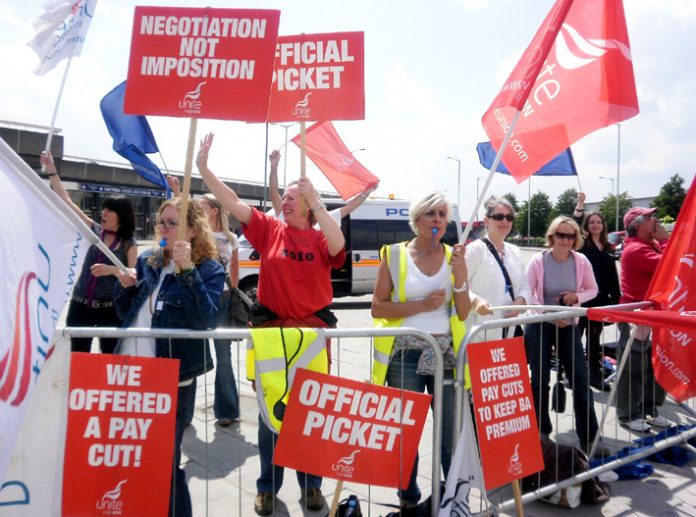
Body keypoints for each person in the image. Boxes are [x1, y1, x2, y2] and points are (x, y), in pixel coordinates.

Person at [195, 133, 346, 516]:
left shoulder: (318, 236)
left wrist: (319, 204)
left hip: (312, 337)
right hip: (271, 336)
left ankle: (312, 486)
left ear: (309, 205)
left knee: (312, 414)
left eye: (296, 197)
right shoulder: (269, 230)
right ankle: (267, 485)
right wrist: (204, 168)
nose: (288, 200)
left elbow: (338, 242)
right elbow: (230, 202)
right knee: (269, 416)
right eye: (290, 197)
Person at [114, 197, 225, 517]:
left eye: (172, 223)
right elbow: (126, 312)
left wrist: (188, 270)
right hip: (130, 373)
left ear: (192, 230)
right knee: (133, 458)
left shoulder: (209, 268)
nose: (162, 228)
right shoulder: (150, 260)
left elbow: (207, 320)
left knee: (165, 463)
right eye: (161, 222)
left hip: (171, 381)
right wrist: (124, 287)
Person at [371, 192, 471, 513]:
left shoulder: (453, 256)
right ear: (416, 220)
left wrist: (462, 276)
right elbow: (377, 307)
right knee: (407, 432)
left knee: (448, 434)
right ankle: (408, 501)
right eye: (431, 214)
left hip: (445, 354)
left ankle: (452, 498)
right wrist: (420, 305)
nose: (438, 220)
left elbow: (465, 310)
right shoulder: (395, 255)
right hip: (405, 355)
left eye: (443, 214)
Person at [41, 150, 137, 354]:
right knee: (77, 356)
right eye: (103, 209)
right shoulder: (94, 230)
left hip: (110, 310)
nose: (103, 213)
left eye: (109, 210)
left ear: (121, 216)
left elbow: (132, 276)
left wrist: (112, 270)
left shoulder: (130, 243)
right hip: (80, 306)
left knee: (109, 359)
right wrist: (52, 172)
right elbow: (66, 200)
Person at [524, 216, 604, 455]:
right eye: (561, 234)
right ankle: (540, 436)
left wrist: (575, 298)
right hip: (539, 324)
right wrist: (549, 314)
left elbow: (593, 289)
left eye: (570, 236)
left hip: (569, 326)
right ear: (552, 236)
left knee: (581, 381)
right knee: (539, 381)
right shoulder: (538, 260)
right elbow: (528, 294)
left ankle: (590, 438)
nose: (565, 240)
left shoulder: (581, 261)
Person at [616, 207, 671, 432]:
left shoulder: (649, 247)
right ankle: (628, 414)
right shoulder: (637, 250)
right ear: (637, 225)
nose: (655, 220)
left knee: (655, 367)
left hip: (652, 318)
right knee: (632, 368)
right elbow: (670, 267)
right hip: (636, 320)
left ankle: (650, 409)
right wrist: (666, 241)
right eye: (650, 218)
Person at [199, 193, 241, 427]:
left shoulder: (231, 238)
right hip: (198, 298)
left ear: (214, 210)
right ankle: (182, 411)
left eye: (202, 205)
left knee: (224, 356)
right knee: (190, 351)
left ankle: (227, 410)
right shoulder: (196, 234)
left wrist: (233, 295)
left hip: (223, 301)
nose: (198, 208)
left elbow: (234, 272)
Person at [573, 194, 621, 391]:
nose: (595, 225)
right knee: (575, 338)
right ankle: (572, 374)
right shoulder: (583, 245)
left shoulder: (609, 247)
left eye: (598, 221)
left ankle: (593, 374)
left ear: (603, 225)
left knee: (594, 340)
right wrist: (580, 206)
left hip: (600, 301)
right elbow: (572, 225)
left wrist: (617, 302)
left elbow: (612, 277)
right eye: (591, 222)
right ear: (586, 225)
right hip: (582, 300)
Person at [465, 196, 530, 341]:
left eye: (509, 217)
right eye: (499, 217)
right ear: (486, 220)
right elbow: (460, 286)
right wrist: (475, 301)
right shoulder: (474, 250)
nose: (505, 221)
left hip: (510, 328)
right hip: (483, 330)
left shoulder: (515, 251)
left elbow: (525, 286)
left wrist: (519, 302)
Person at [268, 148, 377, 224]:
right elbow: (273, 194)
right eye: (284, 198)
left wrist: (367, 192)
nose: (285, 202)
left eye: (291, 198)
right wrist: (274, 167)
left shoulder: (323, 220)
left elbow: (350, 207)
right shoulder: (284, 217)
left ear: (307, 202)